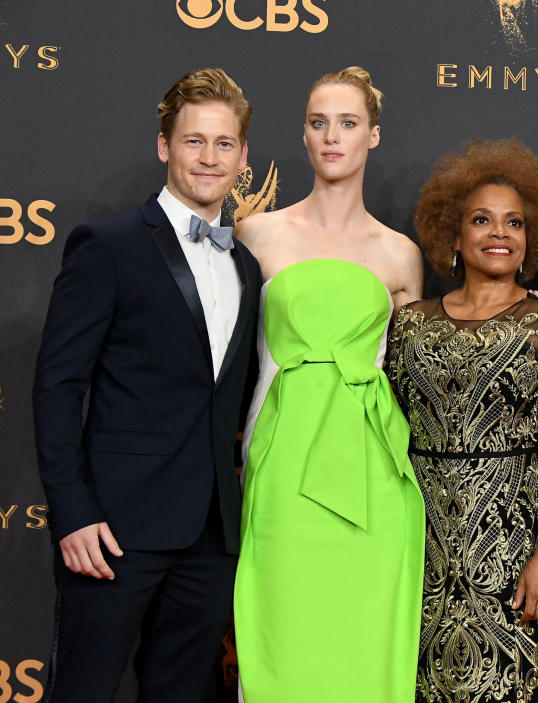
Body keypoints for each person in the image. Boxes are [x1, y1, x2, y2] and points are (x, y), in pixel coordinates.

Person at [32, 67, 260, 702]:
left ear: (244, 156)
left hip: (212, 536)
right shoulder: (106, 246)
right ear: (164, 146)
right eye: (193, 141)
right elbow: (56, 387)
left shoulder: (245, 263)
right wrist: (73, 513)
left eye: (223, 144)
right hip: (112, 531)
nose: (208, 158)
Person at [232, 67, 425, 702]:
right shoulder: (257, 233)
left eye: (348, 123)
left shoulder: (399, 253)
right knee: (281, 642)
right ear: (304, 136)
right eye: (319, 123)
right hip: (280, 460)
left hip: (371, 473)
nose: (332, 137)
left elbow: (413, 369)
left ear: (373, 135)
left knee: (362, 648)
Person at [388, 138, 538, 703]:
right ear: (453, 234)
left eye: (513, 223)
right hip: (419, 549)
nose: (499, 233)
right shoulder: (409, 326)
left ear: (530, 240)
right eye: (482, 220)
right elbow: (388, 438)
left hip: (512, 551)